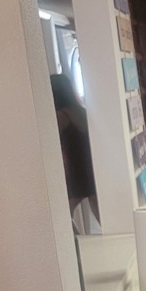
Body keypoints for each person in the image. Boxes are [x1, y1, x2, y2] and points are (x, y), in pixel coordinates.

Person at [49, 73, 99, 223]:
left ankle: (71, 245)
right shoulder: (82, 112)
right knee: (101, 213)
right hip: (91, 167)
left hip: (74, 172)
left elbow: (50, 143)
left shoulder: (60, 116)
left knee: (62, 217)